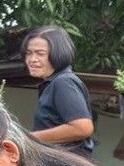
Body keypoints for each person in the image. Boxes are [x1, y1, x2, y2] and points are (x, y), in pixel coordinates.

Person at [22, 26, 94, 156]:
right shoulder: (51, 83)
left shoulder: (63, 82)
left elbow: (82, 127)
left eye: (40, 53)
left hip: (69, 165)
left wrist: (27, 139)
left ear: (58, 54)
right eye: (28, 53)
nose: (32, 59)